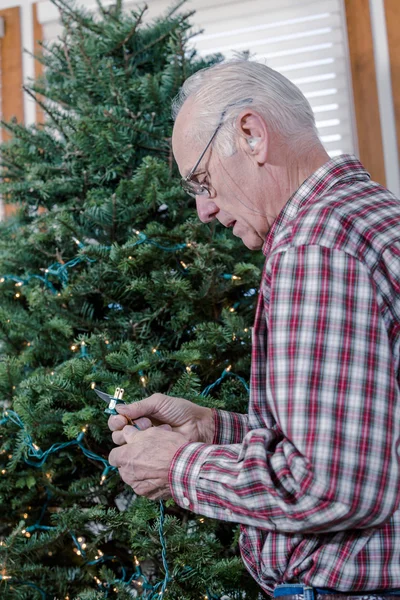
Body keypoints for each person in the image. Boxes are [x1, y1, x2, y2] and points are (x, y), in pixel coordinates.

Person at [108, 60, 400, 598]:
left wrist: (177, 464)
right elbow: (369, 442)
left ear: (250, 134)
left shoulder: (315, 249)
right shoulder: (370, 214)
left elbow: (337, 487)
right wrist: (214, 430)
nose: (202, 209)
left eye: (201, 180)